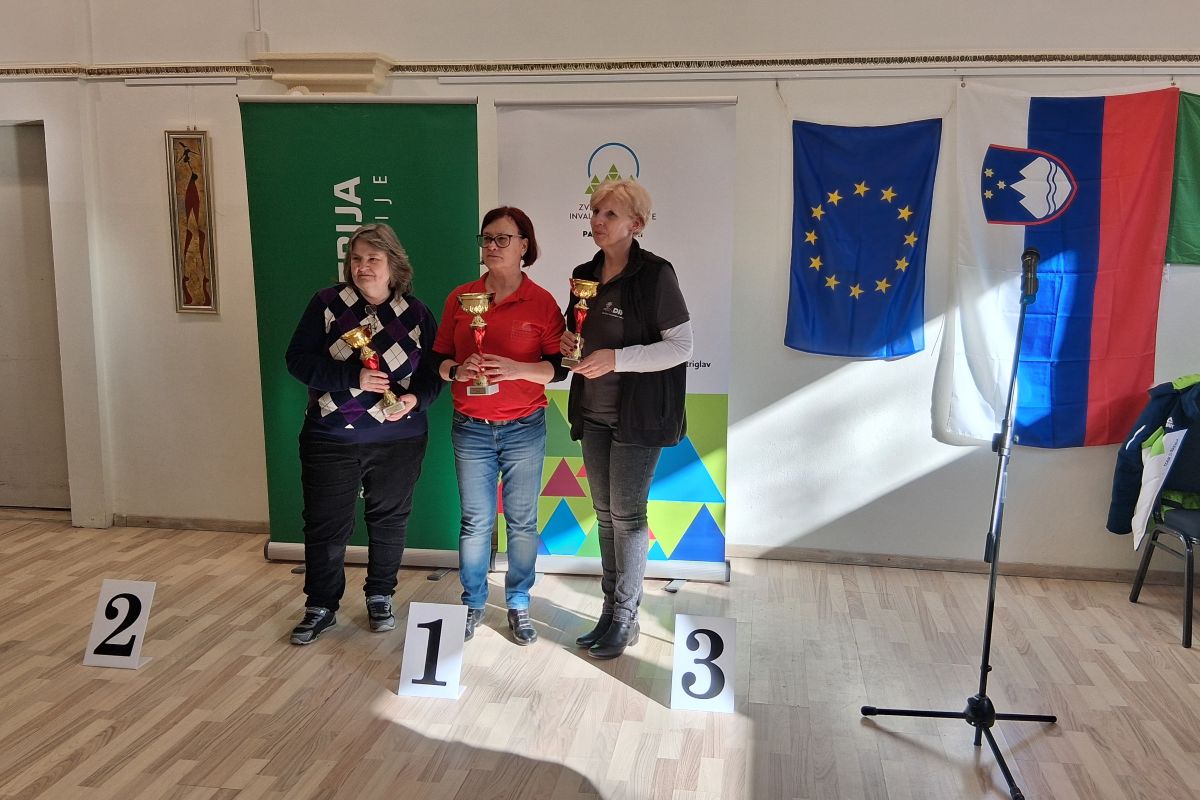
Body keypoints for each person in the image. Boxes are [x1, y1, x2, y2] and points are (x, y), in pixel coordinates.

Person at [284, 223, 442, 645]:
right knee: (326, 524)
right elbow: (297, 360)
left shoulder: (416, 313)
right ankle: (320, 605)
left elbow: (433, 373)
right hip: (330, 436)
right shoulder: (327, 303)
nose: (362, 266)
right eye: (356, 258)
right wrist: (351, 377)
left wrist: (415, 400)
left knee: (389, 521)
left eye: (373, 258)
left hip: (399, 439)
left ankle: (380, 596)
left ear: (394, 264)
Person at [560, 180, 692, 660]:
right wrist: (567, 343)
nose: (598, 220)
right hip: (593, 411)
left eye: (610, 214)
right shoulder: (583, 274)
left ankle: (626, 617)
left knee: (628, 517)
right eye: (595, 211)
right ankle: (609, 612)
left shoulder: (656, 274)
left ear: (636, 224)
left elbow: (681, 347)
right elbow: (575, 333)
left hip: (639, 416)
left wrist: (618, 359)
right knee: (605, 516)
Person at [433, 207, 567, 645]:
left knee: (523, 522)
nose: (492, 246)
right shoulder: (461, 297)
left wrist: (514, 369)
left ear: (524, 245)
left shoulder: (542, 301)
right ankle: (473, 602)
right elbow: (438, 362)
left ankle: (519, 602)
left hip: (524, 427)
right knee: (475, 522)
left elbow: (558, 369)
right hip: (471, 426)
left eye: (503, 238)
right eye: (486, 238)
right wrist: (458, 370)